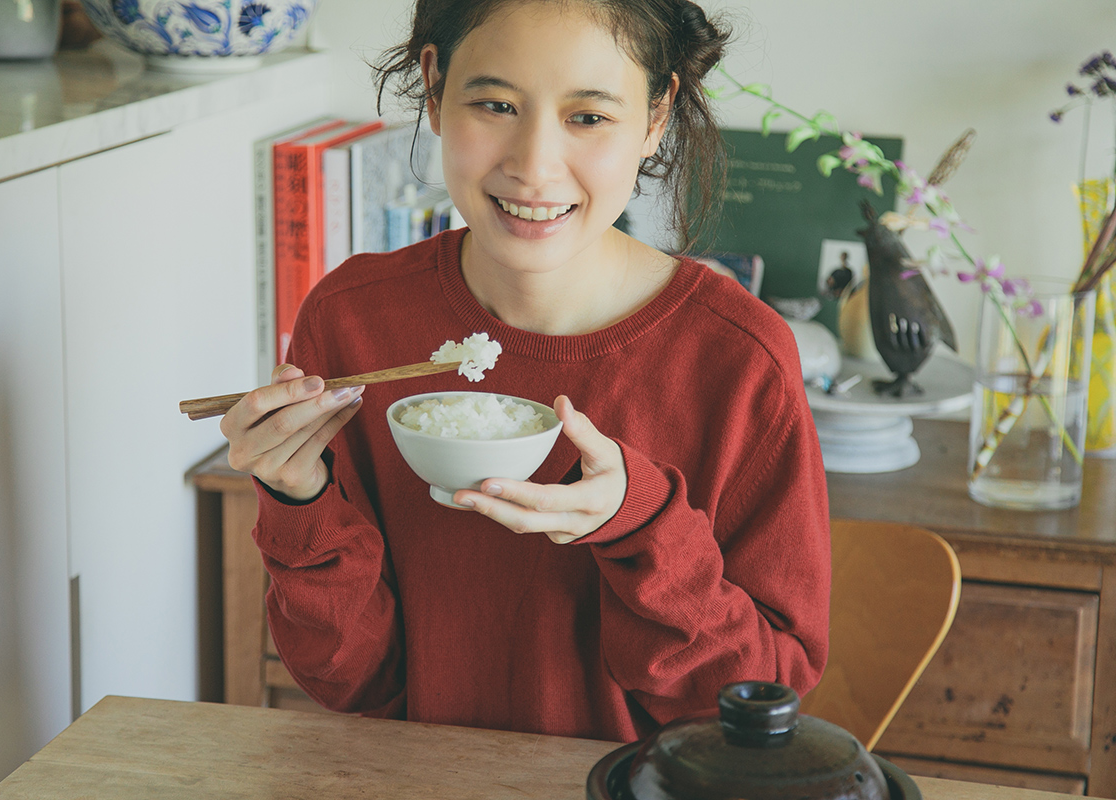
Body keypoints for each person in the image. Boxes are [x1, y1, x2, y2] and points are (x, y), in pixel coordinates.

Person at [220, 0, 830, 743]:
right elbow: (353, 680)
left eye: (590, 117)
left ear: (657, 115)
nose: (534, 165)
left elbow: (755, 702)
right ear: (435, 87)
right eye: (496, 104)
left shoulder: (739, 360)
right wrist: (300, 496)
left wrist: (640, 525)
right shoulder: (352, 321)